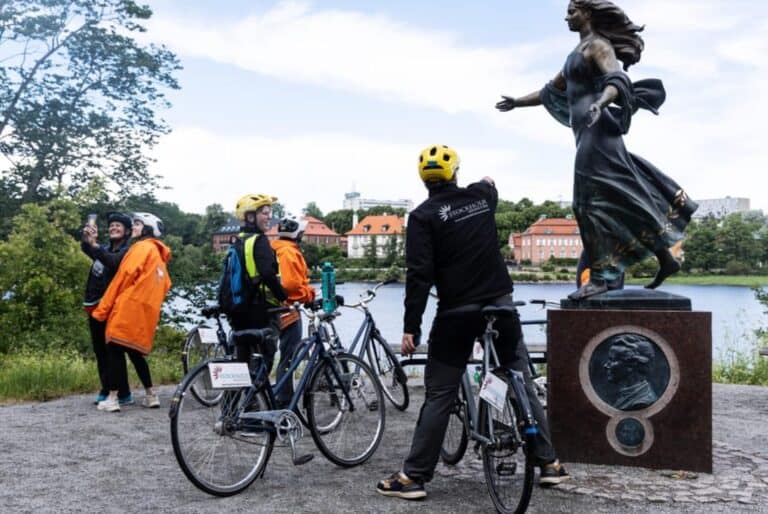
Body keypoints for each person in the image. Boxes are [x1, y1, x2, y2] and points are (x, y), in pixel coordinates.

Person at [376, 145, 569, 501]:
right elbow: (489, 183)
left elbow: (418, 276)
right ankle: (550, 464)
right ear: (454, 174)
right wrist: (486, 180)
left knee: (439, 394)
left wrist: (411, 329)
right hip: (501, 304)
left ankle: (414, 477)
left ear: (424, 180)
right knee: (521, 379)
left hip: (457, 314)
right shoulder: (480, 199)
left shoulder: (422, 217)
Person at [496, 0, 697, 300]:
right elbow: (551, 92)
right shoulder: (574, 55)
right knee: (623, 199)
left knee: (585, 206)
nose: (566, 17)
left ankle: (601, 278)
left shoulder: (599, 47)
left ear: (587, 14)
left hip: (598, 134)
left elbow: (617, 80)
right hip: (586, 135)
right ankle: (666, 259)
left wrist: (600, 104)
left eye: (571, 11)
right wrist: (517, 102)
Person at [92, 212, 172, 412]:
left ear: (147, 229)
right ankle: (151, 395)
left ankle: (112, 398)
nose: (133, 227)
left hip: (127, 308)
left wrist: (102, 310)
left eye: (137, 224)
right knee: (135, 352)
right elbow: (166, 286)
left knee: (114, 350)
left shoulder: (140, 248)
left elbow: (122, 278)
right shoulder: (159, 257)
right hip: (145, 313)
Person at [229, 194, 287, 374]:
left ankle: (240, 398)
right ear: (251, 216)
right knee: (265, 356)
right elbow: (268, 274)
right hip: (262, 310)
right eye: (265, 213)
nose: (269, 217)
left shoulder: (238, 239)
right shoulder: (259, 241)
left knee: (243, 359)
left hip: (239, 309)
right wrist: (283, 298)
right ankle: (256, 398)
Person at [80, 211, 133, 405]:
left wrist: (94, 246)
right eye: (111, 225)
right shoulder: (102, 248)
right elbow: (87, 248)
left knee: (113, 351)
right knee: (100, 351)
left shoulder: (126, 252)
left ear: (127, 231)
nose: (113, 227)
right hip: (94, 305)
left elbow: (112, 262)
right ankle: (113, 388)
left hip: (113, 306)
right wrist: (88, 236)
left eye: (118, 225)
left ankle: (116, 391)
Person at [270, 215, 315, 408]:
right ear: (297, 234)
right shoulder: (289, 252)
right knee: (289, 356)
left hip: (271, 308)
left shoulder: (273, 247)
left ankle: (266, 397)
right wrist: (309, 294)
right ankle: (285, 399)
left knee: (269, 355)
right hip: (288, 310)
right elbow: (290, 285)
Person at [604, 334, 658, 410]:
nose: (606, 365)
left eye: (612, 360)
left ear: (631, 365)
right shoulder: (624, 395)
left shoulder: (643, 402)